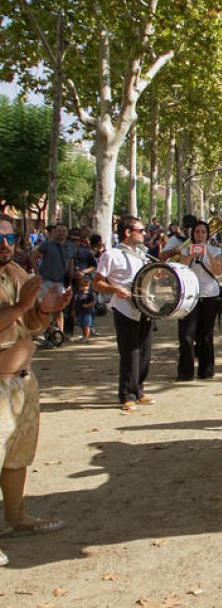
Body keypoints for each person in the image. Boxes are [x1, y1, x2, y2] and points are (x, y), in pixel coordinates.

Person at [0, 215, 71, 567]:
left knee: (18, 454)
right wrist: (23, 306)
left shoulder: (16, 272)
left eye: (9, 237)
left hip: (23, 381)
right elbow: (16, 313)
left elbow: (31, 323)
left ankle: (16, 517)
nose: (5, 243)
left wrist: (45, 309)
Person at [94, 217, 155, 411]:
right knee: (130, 353)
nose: (144, 233)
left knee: (145, 353)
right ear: (127, 232)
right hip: (124, 308)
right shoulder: (111, 255)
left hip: (145, 307)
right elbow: (97, 282)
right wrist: (115, 290)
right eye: (141, 230)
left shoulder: (143, 255)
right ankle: (126, 394)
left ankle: (139, 390)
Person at [176, 219, 222, 381]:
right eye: (197, 232)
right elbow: (181, 269)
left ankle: (206, 370)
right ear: (192, 233)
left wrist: (207, 253)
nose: (200, 235)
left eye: (203, 232)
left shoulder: (214, 250)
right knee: (187, 336)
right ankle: (185, 372)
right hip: (190, 296)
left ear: (208, 234)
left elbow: (218, 271)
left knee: (206, 335)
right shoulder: (185, 250)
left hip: (209, 295)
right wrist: (190, 255)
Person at [30, 222, 73, 335]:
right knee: (45, 307)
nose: (61, 233)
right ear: (55, 232)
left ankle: (60, 333)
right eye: (59, 231)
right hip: (46, 280)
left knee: (59, 308)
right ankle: (47, 332)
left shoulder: (70, 246)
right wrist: (36, 272)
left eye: (64, 231)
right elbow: (34, 256)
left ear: (67, 233)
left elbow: (70, 262)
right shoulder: (47, 245)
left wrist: (70, 277)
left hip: (60, 281)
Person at [72, 276, 97, 343]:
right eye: (82, 286)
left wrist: (88, 305)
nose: (83, 288)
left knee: (86, 325)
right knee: (81, 325)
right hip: (79, 311)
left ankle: (86, 337)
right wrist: (73, 310)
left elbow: (94, 301)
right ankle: (84, 336)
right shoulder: (77, 294)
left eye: (86, 286)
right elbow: (75, 302)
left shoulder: (90, 294)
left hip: (88, 312)